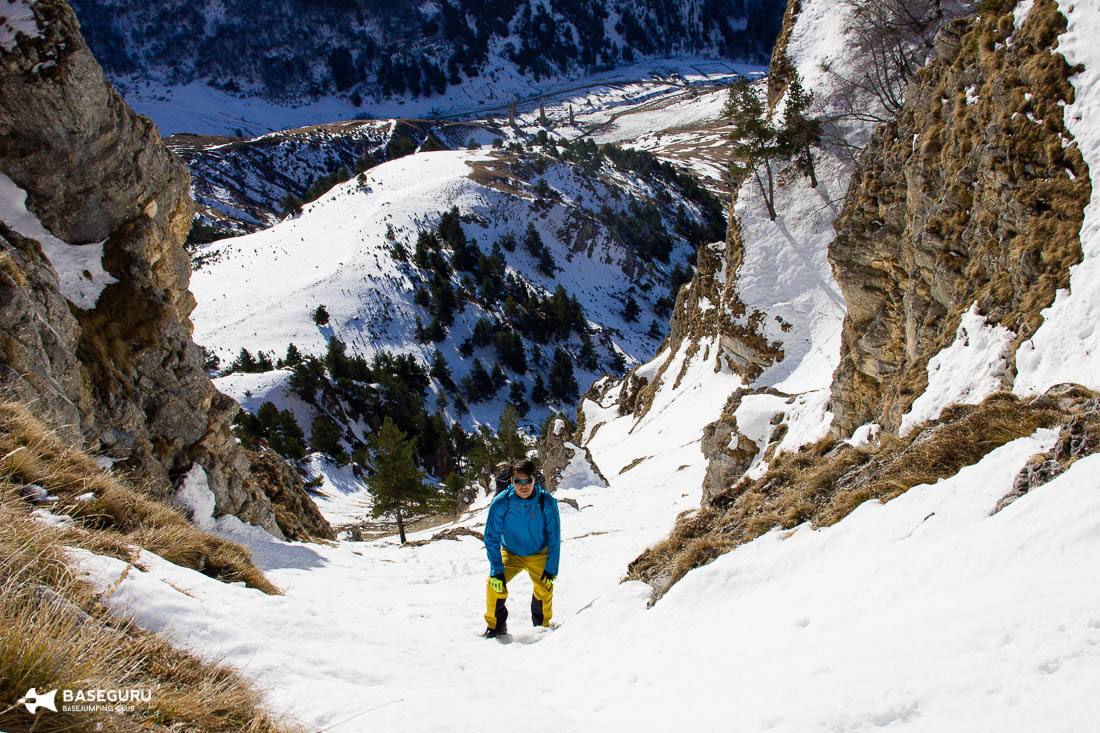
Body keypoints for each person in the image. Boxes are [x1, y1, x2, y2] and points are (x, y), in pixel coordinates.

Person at [482, 459, 560, 638]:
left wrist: (551, 568)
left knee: (545, 588)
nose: (523, 486)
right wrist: (496, 570)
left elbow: (554, 536)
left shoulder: (546, 502)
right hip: (510, 552)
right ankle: (496, 626)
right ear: (512, 482)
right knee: (494, 584)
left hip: (539, 552)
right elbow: (491, 536)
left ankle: (541, 626)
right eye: (518, 481)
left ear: (534, 480)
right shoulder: (501, 502)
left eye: (528, 481)